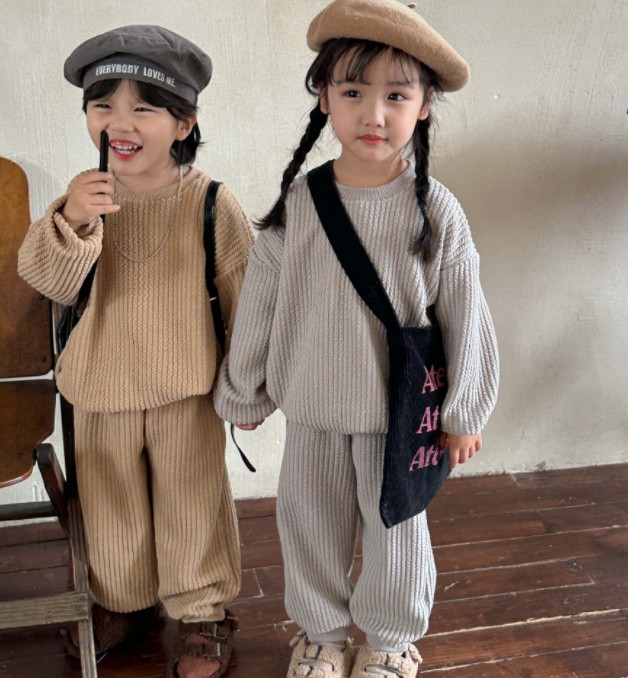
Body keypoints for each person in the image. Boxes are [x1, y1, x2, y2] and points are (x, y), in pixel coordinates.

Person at [214, 1, 499, 676]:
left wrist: (464, 412)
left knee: (398, 536)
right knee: (309, 529)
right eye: (352, 92)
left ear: (424, 106)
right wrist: (244, 391)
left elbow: (467, 313)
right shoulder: (302, 204)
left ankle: (389, 642)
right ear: (324, 97)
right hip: (313, 408)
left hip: (397, 417)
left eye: (396, 95)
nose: (374, 114)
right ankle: (319, 635)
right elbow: (261, 303)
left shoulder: (436, 211)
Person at [18, 25, 254, 678]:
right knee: (109, 508)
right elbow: (47, 281)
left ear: (184, 123)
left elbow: (247, 302)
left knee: (193, 503)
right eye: (103, 105)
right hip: (98, 387)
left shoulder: (211, 203)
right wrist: (74, 221)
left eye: (144, 108)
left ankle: (203, 612)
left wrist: (250, 387)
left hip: (186, 389)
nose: (119, 122)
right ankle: (124, 602)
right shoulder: (82, 197)